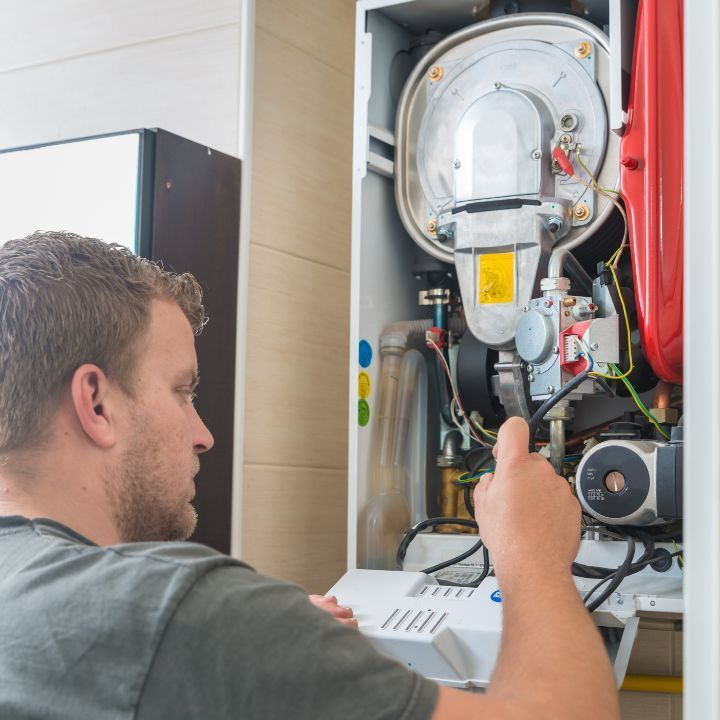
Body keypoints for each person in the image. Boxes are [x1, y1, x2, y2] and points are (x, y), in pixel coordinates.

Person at [0, 231, 620, 720]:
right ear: (96, 404)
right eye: (182, 391)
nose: (203, 433)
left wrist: (269, 653)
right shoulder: (171, 615)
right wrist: (532, 557)